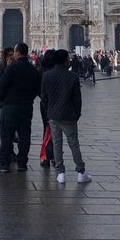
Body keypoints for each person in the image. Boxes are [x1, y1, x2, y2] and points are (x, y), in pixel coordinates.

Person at [41, 49, 91, 184]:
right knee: (74, 144)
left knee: (57, 144)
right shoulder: (73, 77)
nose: (70, 60)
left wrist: (48, 112)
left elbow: (44, 98)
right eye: (68, 58)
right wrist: (77, 114)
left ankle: (60, 173)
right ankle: (81, 172)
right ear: (65, 61)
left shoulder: (47, 76)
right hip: (69, 116)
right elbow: (77, 99)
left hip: (53, 116)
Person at [0, 42, 41, 173]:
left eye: (14, 52)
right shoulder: (33, 70)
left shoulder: (11, 68)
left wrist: (2, 102)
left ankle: (4, 164)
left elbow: (2, 87)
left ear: (18, 53)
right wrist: (29, 99)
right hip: (26, 108)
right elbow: (38, 90)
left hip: (10, 107)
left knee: (7, 136)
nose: (13, 54)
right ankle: (22, 164)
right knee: (25, 136)